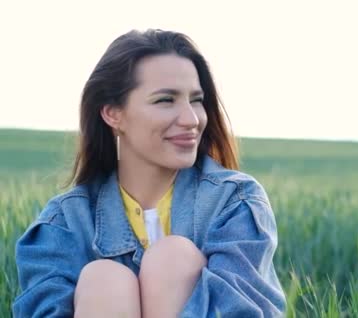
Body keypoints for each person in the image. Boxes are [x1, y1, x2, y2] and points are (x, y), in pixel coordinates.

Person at [13, 29, 286, 317]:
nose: (191, 119)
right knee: (103, 280)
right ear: (113, 114)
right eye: (165, 100)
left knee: (173, 259)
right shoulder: (65, 222)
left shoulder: (235, 202)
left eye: (196, 100)